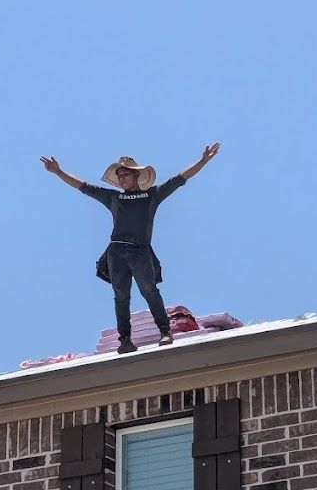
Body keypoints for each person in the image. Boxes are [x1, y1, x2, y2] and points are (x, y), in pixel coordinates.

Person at [40, 144, 220, 353]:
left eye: (125, 174)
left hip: (140, 250)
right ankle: (125, 340)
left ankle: (164, 331)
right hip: (116, 252)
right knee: (121, 296)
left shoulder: (152, 195)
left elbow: (179, 179)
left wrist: (203, 161)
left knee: (149, 291)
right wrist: (58, 172)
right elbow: (83, 186)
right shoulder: (113, 198)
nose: (122, 178)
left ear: (136, 176)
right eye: (119, 176)